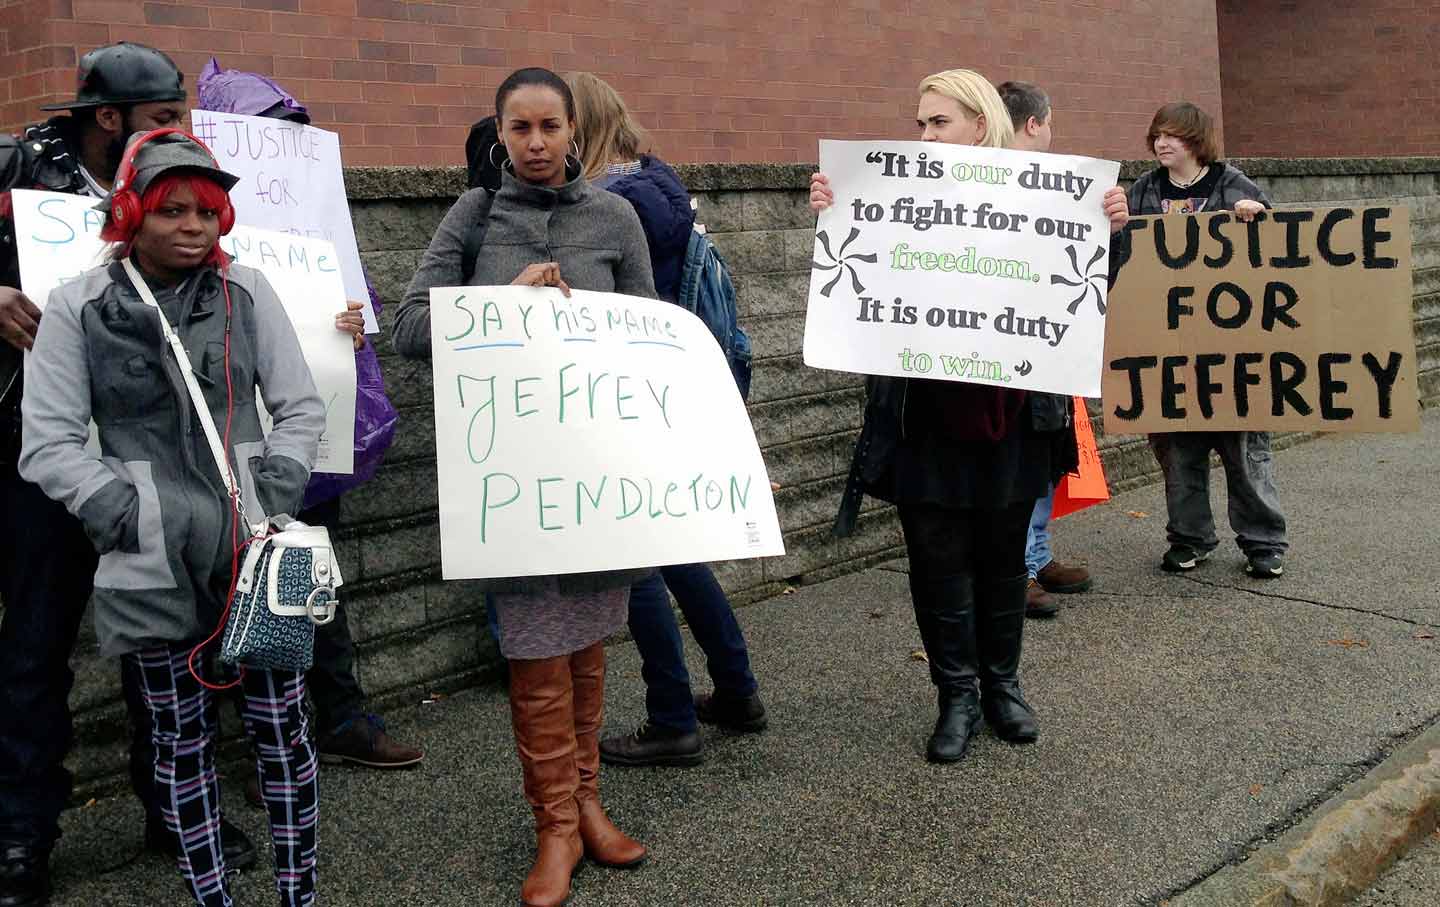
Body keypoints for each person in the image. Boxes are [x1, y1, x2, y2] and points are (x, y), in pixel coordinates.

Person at [19, 129, 325, 906]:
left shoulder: (247, 293)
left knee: (283, 734)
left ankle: (299, 892)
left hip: (256, 556)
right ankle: (210, 894)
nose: (192, 225)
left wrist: (278, 484)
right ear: (130, 214)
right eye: (171, 210)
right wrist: (116, 508)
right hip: (149, 560)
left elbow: (298, 406)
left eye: (206, 211)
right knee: (179, 743)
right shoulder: (77, 306)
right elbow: (48, 440)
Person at [0, 43, 256, 907]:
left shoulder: (177, 186)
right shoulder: (15, 171)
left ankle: (177, 807)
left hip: (163, 457)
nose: (177, 136)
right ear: (108, 118)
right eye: (161, 121)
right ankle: (20, 835)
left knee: (177, 640)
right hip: (45, 461)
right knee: (35, 647)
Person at [815, 69, 1128, 764]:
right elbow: (856, 280)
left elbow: (1086, 290)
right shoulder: (892, 196)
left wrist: (1111, 231)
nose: (923, 134)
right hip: (924, 422)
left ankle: (1003, 686)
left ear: (979, 126)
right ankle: (955, 694)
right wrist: (837, 213)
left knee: (999, 560)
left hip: (1016, 421)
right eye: (920, 122)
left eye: (938, 122)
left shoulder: (1043, 198)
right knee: (937, 565)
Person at [394, 67, 652, 907]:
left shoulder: (617, 217)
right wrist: (499, 303)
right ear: (499, 133)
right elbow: (409, 331)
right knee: (537, 657)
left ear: (575, 129)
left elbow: (651, 336)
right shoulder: (474, 216)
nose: (536, 143)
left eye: (550, 127)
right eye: (519, 128)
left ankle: (586, 804)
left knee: (586, 653)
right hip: (511, 484)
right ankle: (553, 827)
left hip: (592, 478)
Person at [190, 58, 422, 782]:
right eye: (266, 133)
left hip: (303, 435)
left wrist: (352, 320)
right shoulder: (188, 223)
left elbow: (360, 305)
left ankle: (341, 717)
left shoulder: (314, 220)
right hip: (223, 442)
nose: (281, 149)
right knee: (233, 590)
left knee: (312, 577)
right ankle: (264, 750)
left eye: (289, 133)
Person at [561, 71, 768, 768]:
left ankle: (672, 716)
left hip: (633, 397)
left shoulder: (610, 206)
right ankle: (736, 689)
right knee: (674, 547)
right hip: (682, 390)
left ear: (577, 128)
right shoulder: (659, 184)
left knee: (636, 554)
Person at [1124, 102, 1288, 578]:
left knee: (1245, 454)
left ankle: (1264, 543)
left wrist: (1257, 214)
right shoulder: (1142, 191)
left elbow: (1281, 252)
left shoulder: (1231, 184)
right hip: (1168, 352)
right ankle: (1189, 538)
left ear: (1195, 141)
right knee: (1179, 453)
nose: (1162, 142)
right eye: (1157, 134)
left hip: (1232, 353)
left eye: (1172, 134)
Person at [996, 80, 1097, 619]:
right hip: (1003, 351)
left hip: (1047, 346)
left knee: (1043, 459)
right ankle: (1017, 569)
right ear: (1035, 123)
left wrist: (1113, 227)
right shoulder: (969, 182)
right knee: (1016, 464)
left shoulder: (1066, 188)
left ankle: (1034, 556)